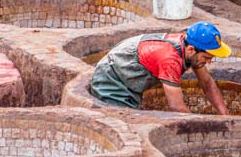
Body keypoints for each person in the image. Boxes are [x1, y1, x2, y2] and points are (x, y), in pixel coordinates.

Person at [90, 21, 231, 114]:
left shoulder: (190, 49)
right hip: (111, 81)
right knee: (125, 120)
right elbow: (176, 107)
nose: (209, 62)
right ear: (191, 50)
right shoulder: (170, 59)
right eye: (207, 58)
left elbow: (207, 83)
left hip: (126, 76)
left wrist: (225, 115)